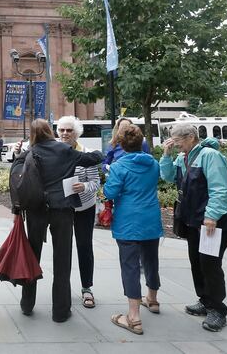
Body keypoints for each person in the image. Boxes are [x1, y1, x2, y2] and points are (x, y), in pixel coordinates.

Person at [11, 118, 102, 321]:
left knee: (32, 256)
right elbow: (93, 159)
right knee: (62, 260)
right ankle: (60, 311)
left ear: (33, 135)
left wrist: (19, 152)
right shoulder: (63, 150)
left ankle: (27, 304)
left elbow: (16, 167)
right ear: (50, 131)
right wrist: (99, 151)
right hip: (61, 209)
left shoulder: (31, 152)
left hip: (36, 210)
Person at [160, 123, 227, 333]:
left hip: (211, 222)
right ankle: (205, 300)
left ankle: (218, 310)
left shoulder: (210, 155)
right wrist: (166, 155)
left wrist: (212, 216)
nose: (174, 144)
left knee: (210, 264)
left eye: (177, 140)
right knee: (197, 261)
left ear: (191, 137)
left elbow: (220, 188)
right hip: (192, 221)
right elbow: (167, 177)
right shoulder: (184, 157)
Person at [103, 124, 162, 335]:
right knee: (151, 260)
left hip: (128, 222)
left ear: (120, 143)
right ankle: (153, 299)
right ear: (141, 143)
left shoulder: (119, 166)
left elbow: (110, 192)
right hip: (151, 219)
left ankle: (134, 317)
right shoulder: (153, 164)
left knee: (130, 266)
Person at [56, 115, 101, 309]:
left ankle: (87, 288)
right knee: (62, 250)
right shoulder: (55, 152)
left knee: (84, 247)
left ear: (77, 133)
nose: (65, 133)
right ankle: (61, 289)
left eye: (69, 130)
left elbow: (96, 183)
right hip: (63, 208)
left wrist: (84, 186)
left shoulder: (87, 153)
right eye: (62, 130)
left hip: (84, 207)